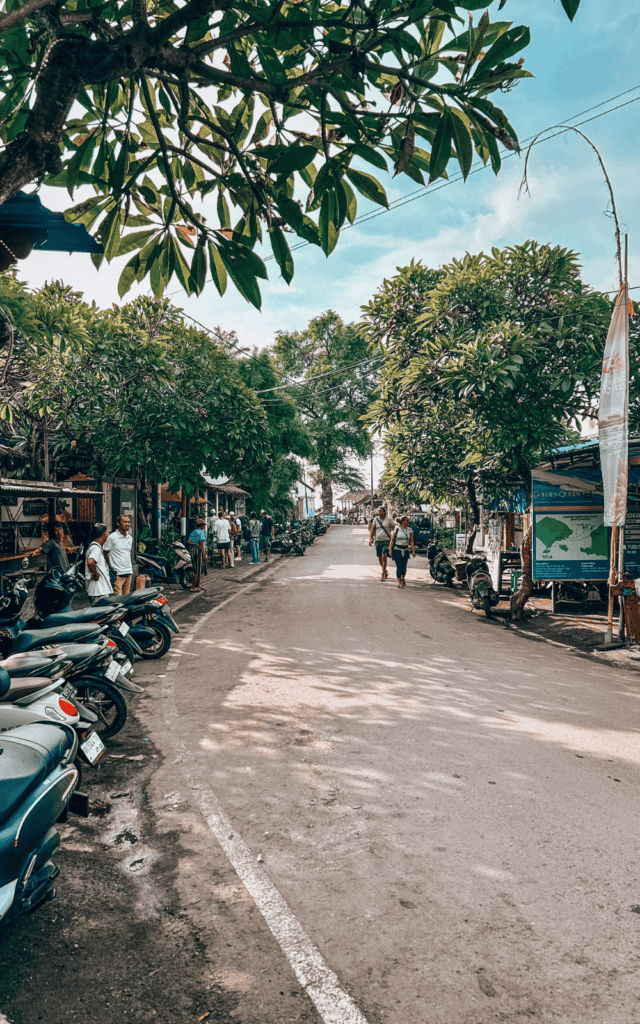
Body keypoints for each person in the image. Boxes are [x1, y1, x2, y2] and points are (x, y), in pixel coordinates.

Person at [104, 514, 133, 594]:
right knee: (117, 599)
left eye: (128, 522)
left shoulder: (130, 538)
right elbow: (105, 553)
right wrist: (110, 567)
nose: (127, 524)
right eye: (124, 522)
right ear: (118, 524)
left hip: (128, 571)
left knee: (126, 598)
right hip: (117, 573)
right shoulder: (112, 537)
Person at [85, 522, 113, 602]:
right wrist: (95, 574)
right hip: (99, 591)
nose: (108, 535)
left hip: (99, 590)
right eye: (107, 533)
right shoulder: (95, 548)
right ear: (104, 534)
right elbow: (91, 561)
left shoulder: (95, 547)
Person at [369, 505, 395, 580]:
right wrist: (371, 539)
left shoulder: (389, 519)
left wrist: (393, 538)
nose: (378, 512)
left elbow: (393, 529)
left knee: (384, 556)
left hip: (386, 540)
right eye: (378, 511)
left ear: (384, 512)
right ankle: (385, 570)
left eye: (380, 511)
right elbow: (372, 529)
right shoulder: (376, 519)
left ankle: (383, 572)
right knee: (380, 557)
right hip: (378, 540)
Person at [389, 515, 416, 588]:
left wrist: (413, 550)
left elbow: (412, 541)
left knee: (404, 566)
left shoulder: (410, 530)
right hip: (397, 549)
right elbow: (392, 540)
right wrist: (390, 550)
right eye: (406, 520)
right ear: (402, 522)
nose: (408, 522)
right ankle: (399, 581)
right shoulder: (396, 529)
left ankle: (403, 578)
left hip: (406, 550)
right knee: (399, 565)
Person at [188, 517, 207, 592]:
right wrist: (204, 554)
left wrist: (194, 543)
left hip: (193, 550)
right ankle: (195, 586)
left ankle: (197, 585)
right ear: (202, 525)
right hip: (198, 550)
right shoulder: (202, 532)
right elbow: (201, 544)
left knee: (195, 568)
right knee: (198, 570)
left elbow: (188, 541)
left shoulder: (193, 532)